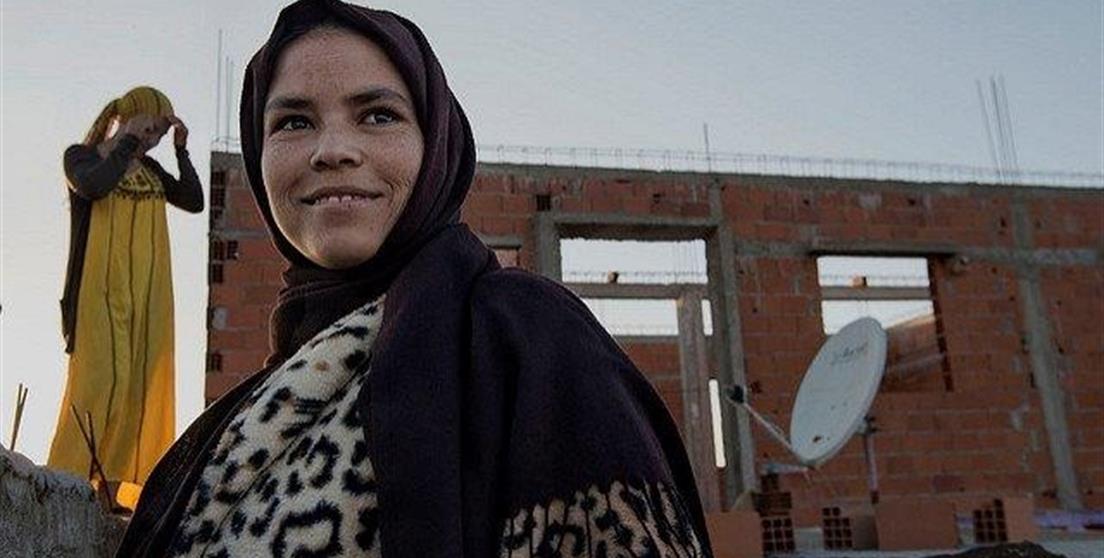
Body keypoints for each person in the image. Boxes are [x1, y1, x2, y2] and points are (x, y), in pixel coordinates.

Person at [118, 1, 713, 556]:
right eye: (294, 122)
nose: (333, 150)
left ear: (436, 146)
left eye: (378, 115)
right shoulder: (232, 423)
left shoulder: (530, 341)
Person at [49, 86, 204, 510]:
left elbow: (193, 201)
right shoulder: (83, 158)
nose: (153, 142)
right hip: (97, 294)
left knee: (137, 385)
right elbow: (94, 187)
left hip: (146, 296)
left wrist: (181, 152)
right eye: (150, 130)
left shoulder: (150, 169)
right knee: (99, 380)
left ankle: (113, 491)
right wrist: (128, 139)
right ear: (131, 118)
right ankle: (68, 482)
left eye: (159, 135)